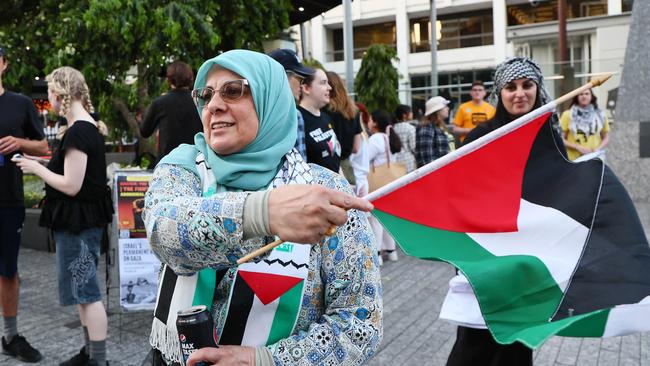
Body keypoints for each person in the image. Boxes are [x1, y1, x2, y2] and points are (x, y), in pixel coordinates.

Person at [143, 50, 381, 366]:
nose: (213, 105)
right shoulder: (183, 168)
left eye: (232, 90)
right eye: (206, 94)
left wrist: (265, 360)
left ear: (271, 99)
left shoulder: (326, 190)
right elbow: (165, 234)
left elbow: (359, 323)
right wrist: (263, 213)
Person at [444, 57, 563, 366]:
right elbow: (457, 194)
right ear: (500, 93)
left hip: (530, 255)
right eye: (511, 87)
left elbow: (561, 192)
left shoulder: (550, 136)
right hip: (486, 253)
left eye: (527, 85)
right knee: (475, 340)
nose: (519, 93)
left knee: (518, 342)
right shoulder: (479, 137)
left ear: (538, 89)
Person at [13, 66, 113, 366]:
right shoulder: (86, 127)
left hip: (79, 225)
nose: (49, 100)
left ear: (59, 95)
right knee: (83, 292)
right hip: (80, 223)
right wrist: (40, 160)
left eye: (49, 94)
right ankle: (90, 353)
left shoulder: (79, 131)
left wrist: (37, 168)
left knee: (87, 292)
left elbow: (72, 185)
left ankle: (98, 359)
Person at [0, 45, 47, 364]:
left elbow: (43, 145)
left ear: (3, 64)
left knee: (7, 271)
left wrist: (19, 142)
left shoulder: (19, 103)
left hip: (7, 199)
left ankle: (11, 335)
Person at [139, 61, 203, 161]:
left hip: (167, 163)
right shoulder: (199, 101)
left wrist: (142, 118)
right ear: (190, 78)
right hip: (196, 161)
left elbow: (144, 131)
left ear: (169, 80)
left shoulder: (160, 102)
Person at [366, 109, 402, 265]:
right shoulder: (389, 137)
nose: (368, 122)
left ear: (375, 122)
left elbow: (365, 158)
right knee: (387, 219)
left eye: (370, 119)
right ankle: (392, 251)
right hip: (390, 182)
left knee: (375, 219)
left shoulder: (375, 139)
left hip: (377, 183)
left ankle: (377, 254)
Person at [268, 48, 314, 161]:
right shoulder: (293, 115)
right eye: (299, 79)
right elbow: (300, 165)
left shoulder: (295, 114)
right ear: (281, 76)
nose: (301, 86)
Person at [298, 68, 342, 172]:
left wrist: (344, 184)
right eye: (323, 83)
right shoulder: (297, 120)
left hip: (335, 186)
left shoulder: (327, 117)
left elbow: (335, 161)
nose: (329, 88)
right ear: (306, 88)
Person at [326, 71, 361, 184]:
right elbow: (356, 148)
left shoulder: (322, 111)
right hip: (347, 167)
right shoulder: (354, 111)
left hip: (327, 168)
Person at [560, 88, 610, 161]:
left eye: (587, 94)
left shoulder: (600, 115)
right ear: (577, 97)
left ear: (591, 96)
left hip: (595, 158)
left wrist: (597, 149)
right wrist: (577, 147)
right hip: (574, 159)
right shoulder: (567, 115)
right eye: (581, 94)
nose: (584, 96)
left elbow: (606, 137)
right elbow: (561, 139)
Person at [416, 96, 452, 168]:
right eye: (445, 106)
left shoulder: (438, 126)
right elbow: (426, 159)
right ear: (437, 110)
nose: (448, 108)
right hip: (435, 174)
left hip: (441, 171)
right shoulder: (427, 128)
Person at [392, 104, 417, 173]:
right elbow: (413, 147)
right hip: (408, 161)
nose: (412, 113)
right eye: (410, 112)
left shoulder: (393, 128)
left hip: (396, 161)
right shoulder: (410, 128)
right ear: (404, 115)